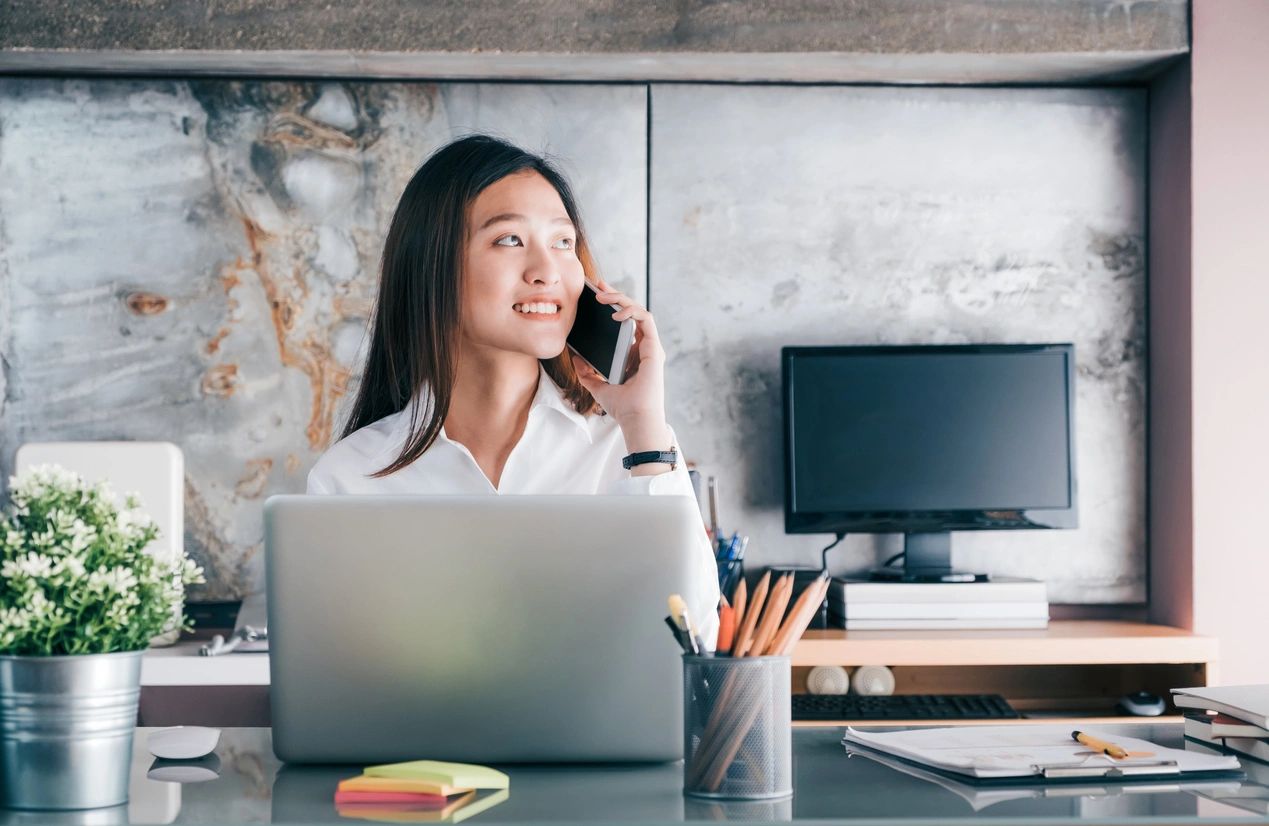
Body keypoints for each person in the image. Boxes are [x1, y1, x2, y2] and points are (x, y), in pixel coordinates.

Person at [306, 133, 720, 644]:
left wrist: (642, 428)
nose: (548, 272)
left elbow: (697, 640)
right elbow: (341, 673)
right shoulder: (349, 478)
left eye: (563, 243)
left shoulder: (631, 449)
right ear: (432, 265)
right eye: (509, 240)